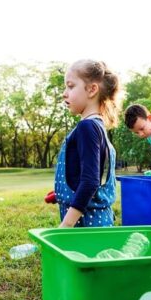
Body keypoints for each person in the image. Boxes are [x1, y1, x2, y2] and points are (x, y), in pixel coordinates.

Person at [54, 59, 120, 228]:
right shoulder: (96, 126)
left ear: (92, 90)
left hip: (87, 225)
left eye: (70, 86)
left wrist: (66, 225)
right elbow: (84, 174)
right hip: (95, 220)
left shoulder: (87, 127)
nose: (64, 93)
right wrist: (65, 192)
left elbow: (90, 182)